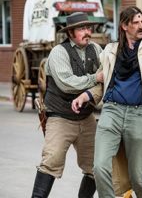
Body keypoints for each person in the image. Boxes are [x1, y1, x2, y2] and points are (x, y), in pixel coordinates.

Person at [72, 6, 142, 198]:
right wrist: (84, 96)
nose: (141, 26)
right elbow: (103, 83)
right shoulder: (110, 50)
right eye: (136, 22)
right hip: (111, 112)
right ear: (125, 26)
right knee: (99, 167)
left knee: (139, 177)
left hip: (139, 114)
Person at [30, 12, 103, 198]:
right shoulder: (58, 52)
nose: (87, 32)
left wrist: (99, 81)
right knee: (51, 161)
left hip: (86, 118)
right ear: (70, 32)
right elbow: (67, 83)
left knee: (96, 165)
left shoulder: (95, 49)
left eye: (88, 28)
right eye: (81, 29)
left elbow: (107, 73)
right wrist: (95, 78)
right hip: (60, 117)